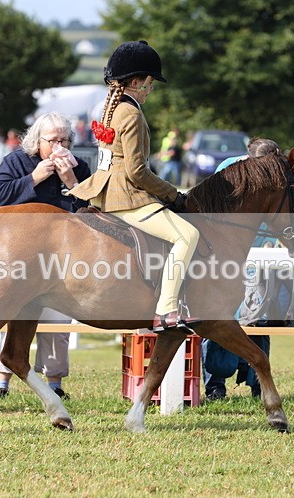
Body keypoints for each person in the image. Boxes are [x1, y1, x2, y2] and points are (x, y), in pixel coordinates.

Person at [70, 40, 200, 332]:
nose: (151, 89)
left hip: (101, 191)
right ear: (137, 82)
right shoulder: (132, 113)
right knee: (187, 236)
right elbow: (137, 171)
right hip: (125, 196)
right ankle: (167, 309)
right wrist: (172, 194)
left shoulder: (110, 107)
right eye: (150, 83)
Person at [0, 112, 91, 399]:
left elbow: (94, 207)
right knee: (11, 313)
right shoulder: (17, 161)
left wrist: (72, 182)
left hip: (63, 257)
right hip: (22, 254)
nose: (59, 146)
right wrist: (33, 178)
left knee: (58, 319)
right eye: (53, 140)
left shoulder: (78, 166)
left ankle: (55, 383)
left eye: (64, 140)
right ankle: (1, 382)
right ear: (38, 140)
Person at [201, 138, 290, 400]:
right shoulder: (229, 170)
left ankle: (257, 382)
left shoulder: (279, 175)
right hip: (227, 252)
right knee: (220, 317)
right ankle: (215, 383)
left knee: (259, 315)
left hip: (263, 250)